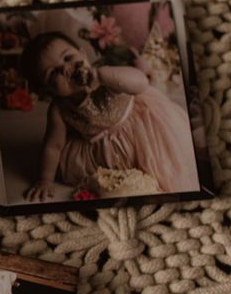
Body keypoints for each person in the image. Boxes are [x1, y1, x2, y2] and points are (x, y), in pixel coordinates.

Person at [20, 31, 196, 201]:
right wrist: (45, 179)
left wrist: (101, 75)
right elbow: (53, 146)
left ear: (83, 54)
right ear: (47, 90)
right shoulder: (59, 108)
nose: (66, 69)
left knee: (163, 164)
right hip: (103, 151)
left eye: (68, 58)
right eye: (53, 73)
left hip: (142, 130)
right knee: (118, 186)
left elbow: (140, 82)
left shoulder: (106, 77)